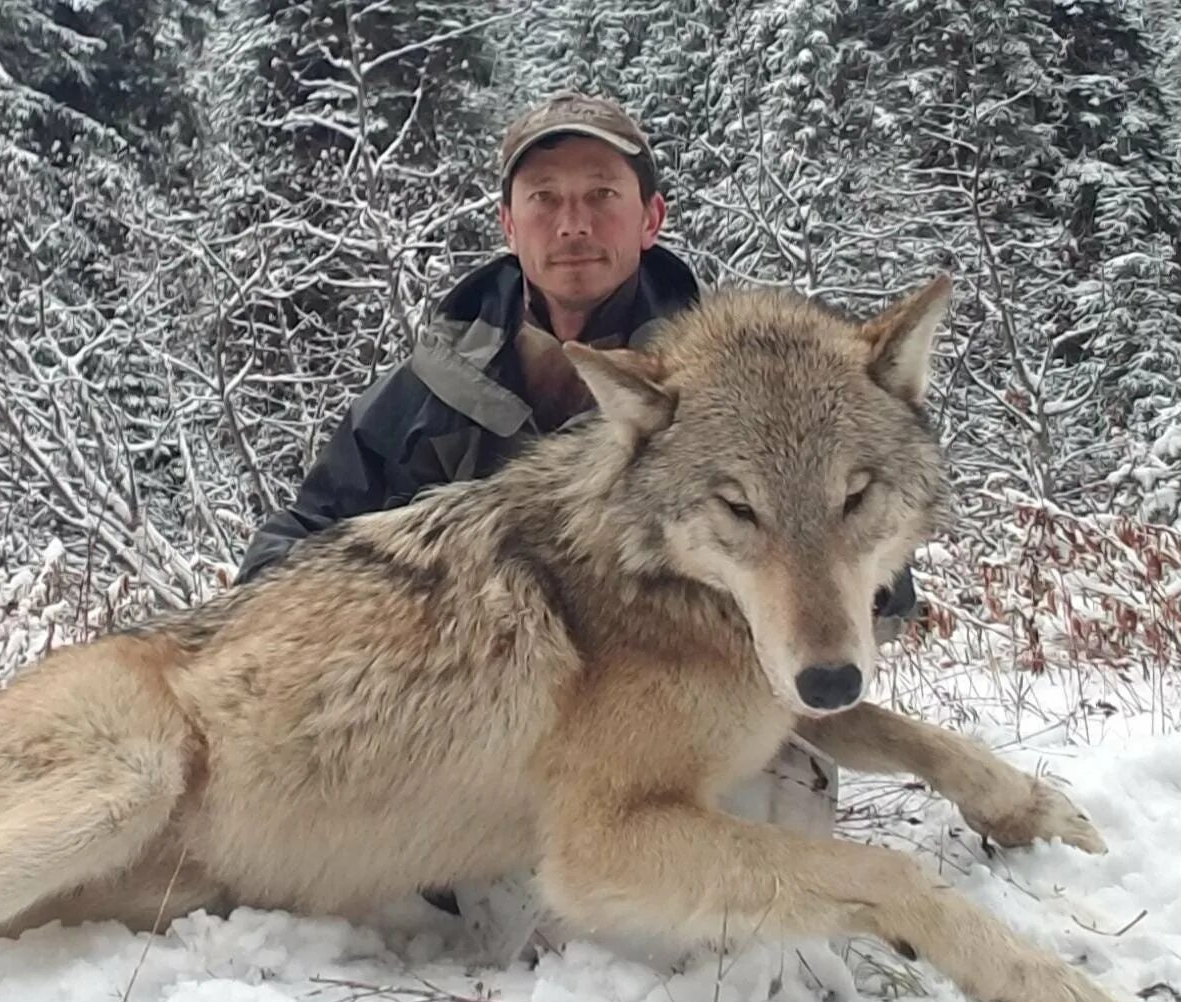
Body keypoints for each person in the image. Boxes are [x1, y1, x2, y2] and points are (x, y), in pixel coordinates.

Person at [234, 91, 923, 911]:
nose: (573, 224)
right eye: (546, 199)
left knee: (762, 852)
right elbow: (306, 528)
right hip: (490, 724)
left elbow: (857, 563)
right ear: (509, 224)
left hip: (671, 704)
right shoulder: (430, 385)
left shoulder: (740, 383)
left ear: (651, 217)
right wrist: (333, 624)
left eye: (602, 195)